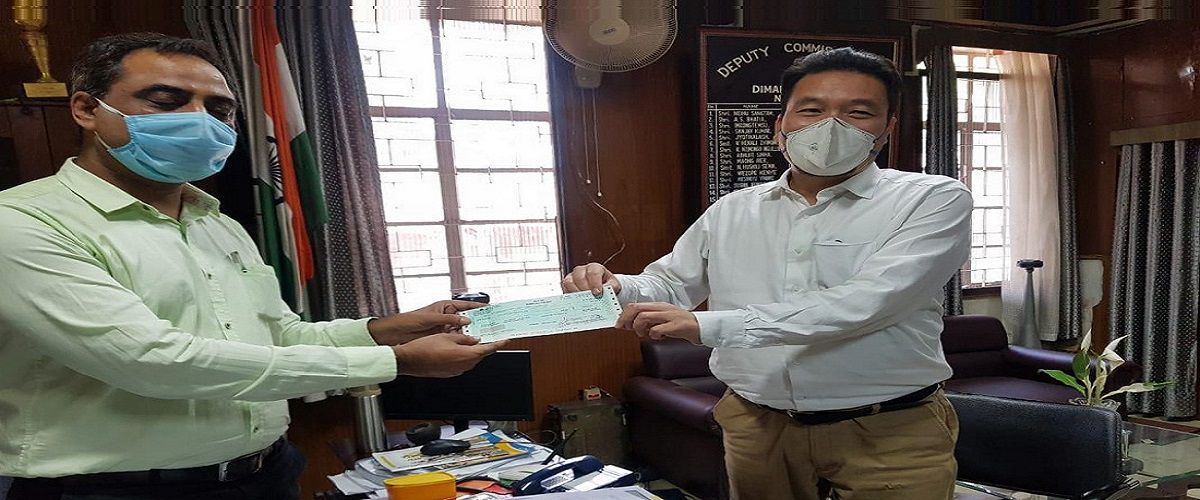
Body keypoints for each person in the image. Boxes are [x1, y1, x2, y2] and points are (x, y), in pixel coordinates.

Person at [0, 33, 504, 500]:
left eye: (219, 109)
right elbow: (152, 361)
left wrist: (383, 331)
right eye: (167, 101)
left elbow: (278, 335)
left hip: (266, 474)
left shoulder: (215, 223)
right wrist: (398, 361)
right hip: (111, 490)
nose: (200, 120)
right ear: (87, 109)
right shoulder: (25, 223)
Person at [563, 47, 972, 499]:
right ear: (781, 125)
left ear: (887, 129)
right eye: (811, 110)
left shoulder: (931, 199)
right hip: (756, 425)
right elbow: (671, 283)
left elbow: (869, 301)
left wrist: (707, 325)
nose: (831, 126)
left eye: (858, 113)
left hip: (889, 429)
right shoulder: (733, 209)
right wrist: (617, 286)